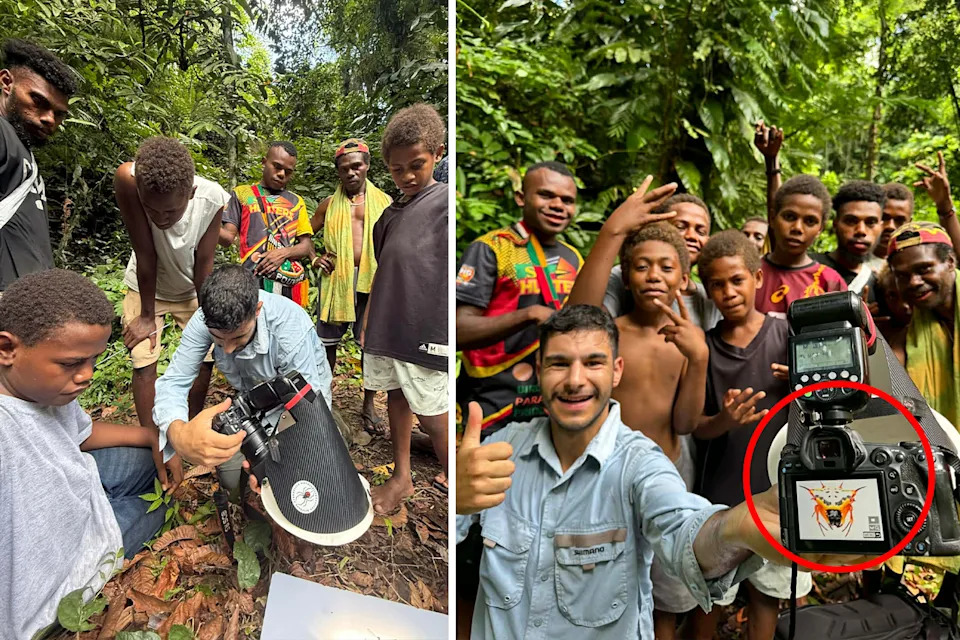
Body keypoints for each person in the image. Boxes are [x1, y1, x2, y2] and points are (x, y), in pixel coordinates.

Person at [455, 304, 867, 640]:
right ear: (540, 370)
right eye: (559, 364)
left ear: (616, 370)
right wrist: (456, 497)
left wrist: (736, 527)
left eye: (592, 363)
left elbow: (685, 529)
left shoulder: (640, 464)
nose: (575, 380)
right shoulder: (498, 450)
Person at [0, 269, 190, 638]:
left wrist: (154, 437)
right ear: (7, 348)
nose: (85, 375)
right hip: (63, 563)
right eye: (72, 363)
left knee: (147, 465)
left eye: (93, 361)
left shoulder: (41, 388)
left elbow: (81, 434)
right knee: (163, 505)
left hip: (78, 485)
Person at [567, 178, 710, 637]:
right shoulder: (610, 331)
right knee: (606, 576)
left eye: (667, 267)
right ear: (626, 276)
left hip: (670, 472)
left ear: (684, 279)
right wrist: (612, 231)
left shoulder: (689, 340)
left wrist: (700, 357)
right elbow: (577, 316)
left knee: (669, 585)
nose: (654, 276)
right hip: (608, 476)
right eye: (642, 266)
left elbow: (686, 422)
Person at [686, 231, 811, 640]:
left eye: (736, 280)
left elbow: (821, 404)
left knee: (767, 595)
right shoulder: (704, 348)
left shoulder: (789, 336)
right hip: (721, 493)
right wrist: (725, 419)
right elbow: (695, 427)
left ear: (758, 278)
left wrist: (801, 381)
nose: (728, 292)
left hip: (778, 493)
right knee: (711, 597)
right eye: (716, 284)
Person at [114, 136, 229, 491]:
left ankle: (189, 426)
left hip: (189, 286)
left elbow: (204, 264)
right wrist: (147, 316)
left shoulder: (212, 199)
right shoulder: (128, 180)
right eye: (153, 211)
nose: (161, 219)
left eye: (171, 212)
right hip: (146, 283)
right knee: (143, 358)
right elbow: (146, 253)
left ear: (190, 195)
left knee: (204, 356)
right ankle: (157, 444)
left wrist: (205, 317)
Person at [153, 265, 333, 488]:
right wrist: (178, 434)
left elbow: (307, 407)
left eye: (238, 338)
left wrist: (284, 456)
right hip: (253, 403)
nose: (227, 350)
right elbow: (173, 382)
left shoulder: (290, 331)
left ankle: (335, 429)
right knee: (232, 480)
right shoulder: (204, 319)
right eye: (218, 340)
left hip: (303, 400)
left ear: (257, 310)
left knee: (301, 473)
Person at [360, 103, 449, 514]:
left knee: (433, 410)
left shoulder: (447, 201)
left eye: (417, 164)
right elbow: (383, 272)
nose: (408, 176)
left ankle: (458, 482)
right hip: (388, 326)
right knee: (395, 394)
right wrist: (368, 321)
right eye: (398, 169)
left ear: (439, 153)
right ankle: (402, 475)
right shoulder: (388, 217)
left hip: (426, 328)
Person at [456, 161, 582, 437]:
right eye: (547, 195)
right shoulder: (491, 249)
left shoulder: (574, 258)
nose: (559, 205)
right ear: (521, 198)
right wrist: (529, 315)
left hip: (553, 395)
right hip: (494, 397)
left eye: (567, 200)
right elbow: (459, 330)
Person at [312, 138, 393, 435]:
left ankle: (368, 403)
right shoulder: (329, 205)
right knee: (326, 345)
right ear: (338, 172)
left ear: (368, 165)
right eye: (345, 168)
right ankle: (323, 397)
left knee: (369, 346)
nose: (351, 173)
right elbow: (303, 234)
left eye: (357, 166)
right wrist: (314, 257)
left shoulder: (385, 203)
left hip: (372, 282)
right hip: (336, 280)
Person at [0, 39, 77, 293]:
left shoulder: (23, 152)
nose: (49, 119)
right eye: (38, 101)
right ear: (6, 83)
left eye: (59, 114)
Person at [602, 192, 722, 331]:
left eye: (700, 232)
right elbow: (586, 318)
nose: (691, 236)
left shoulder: (709, 296)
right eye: (680, 227)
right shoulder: (625, 276)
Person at [220, 141, 313, 307]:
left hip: (285, 283)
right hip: (250, 280)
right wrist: (205, 221)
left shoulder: (296, 201)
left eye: (288, 171)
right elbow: (227, 237)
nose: (281, 174)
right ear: (264, 162)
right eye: (277, 167)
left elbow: (305, 246)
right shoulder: (242, 193)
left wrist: (283, 253)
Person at [886, 220, 960, 427]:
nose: (914, 282)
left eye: (924, 269)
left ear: (951, 262)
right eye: (902, 275)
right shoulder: (906, 341)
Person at [756, 174, 847, 317]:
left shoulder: (830, 281)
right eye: (789, 217)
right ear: (772, 219)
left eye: (810, 221)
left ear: (820, 229)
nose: (797, 228)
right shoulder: (750, 274)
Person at [811, 180, 885, 298]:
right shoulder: (807, 268)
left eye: (870, 222)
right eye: (851, 221)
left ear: (881, 227)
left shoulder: (881, 286)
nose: (861, 230)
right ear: (835, 224)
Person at [874, 183, 914, 263]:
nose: (890, 226)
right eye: (884, 218)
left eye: (899, 221)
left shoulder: (913, 264)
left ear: (909, 224)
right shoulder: (852, 264)